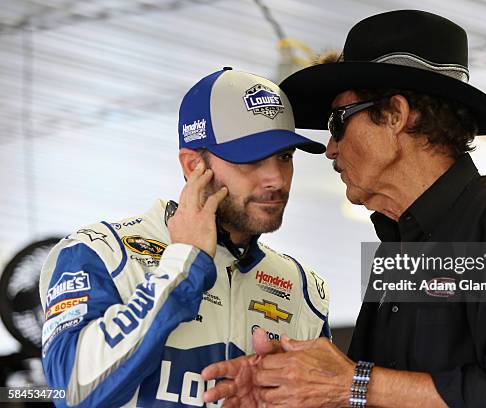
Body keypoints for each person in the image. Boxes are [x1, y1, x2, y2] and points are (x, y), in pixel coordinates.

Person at [201, 10, 486, 408]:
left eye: (338, 122)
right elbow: (368, 392)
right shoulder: (397, 249)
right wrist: (290, 388)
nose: (330, 149)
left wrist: (350, 384)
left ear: (395, 115)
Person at [39, 67, 331, 407]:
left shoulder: (302, 289)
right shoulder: (99, 251)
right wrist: (183, 266)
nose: (276, 179)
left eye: (284, 157)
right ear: (194, 166)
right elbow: (72, 390)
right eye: (250, 159)